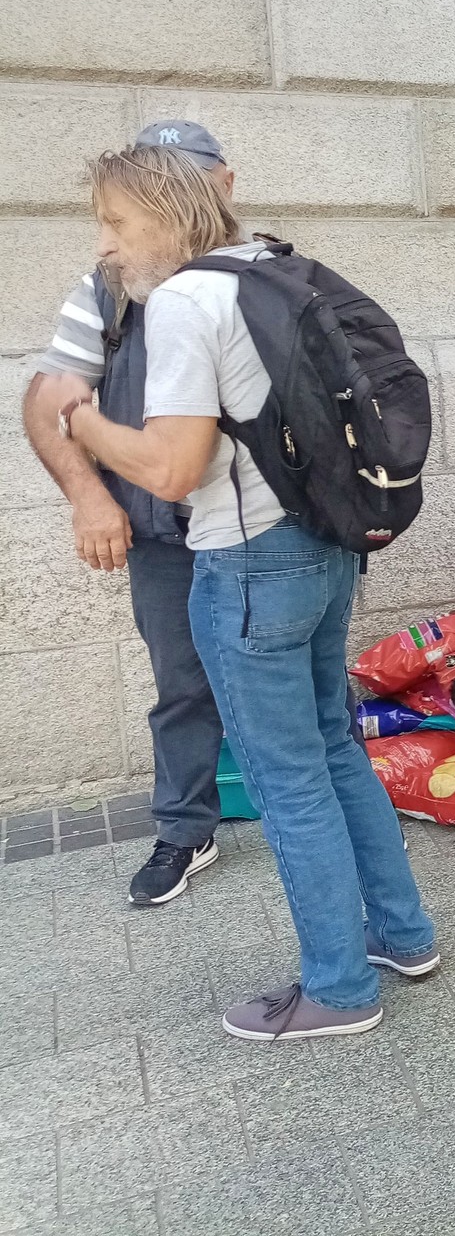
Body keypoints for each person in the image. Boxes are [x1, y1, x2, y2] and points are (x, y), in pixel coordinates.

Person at [46, 144, 438, 1038]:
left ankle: (338, 990)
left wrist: (82, 417)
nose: (105, 245)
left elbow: (173, 469)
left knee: (287, 780)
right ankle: (403, 936)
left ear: (166, 213)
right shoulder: (269, 264)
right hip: (324, 547)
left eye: (115, 223)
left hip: (251, 570)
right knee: (336, 752)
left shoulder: (186, 299)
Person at [21, 120, 232, 907]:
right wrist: (89, 496)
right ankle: (186, 830)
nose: (109, 236)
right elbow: (49, 398)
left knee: (303, 684)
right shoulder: (109, 287)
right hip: (165, 530)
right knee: (182, 683)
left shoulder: (262, 273)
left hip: (260, 532)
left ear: (220, 187)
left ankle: (322, 817)